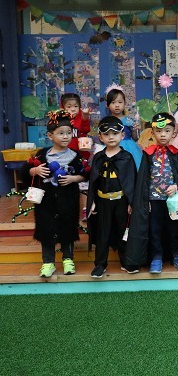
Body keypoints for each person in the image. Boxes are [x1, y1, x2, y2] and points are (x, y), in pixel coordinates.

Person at [21, 110, 90, 278]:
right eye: (61, 133)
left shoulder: (76, 156)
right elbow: (25, 171)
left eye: (69, 133)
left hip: (68, 201)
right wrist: (35, 170)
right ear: (50, 135)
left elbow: (85, 174)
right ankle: (48, 262)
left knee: (68, 229)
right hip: (46, 203)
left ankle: (68, 260)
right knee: (46, 230)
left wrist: (73, 178)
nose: (66, 137)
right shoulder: (41, 155)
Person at [125, 113, 178, 274]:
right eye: (159, 131)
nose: (163, 135)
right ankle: (156, 257)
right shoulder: (148, 154)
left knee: (174, 229)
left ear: (173, 133)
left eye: (167, 131)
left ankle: (177, 255)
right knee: (154, 229)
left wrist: (176, 186)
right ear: (152, 133)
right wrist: (144, 200)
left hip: (173, 200)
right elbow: (143, 179)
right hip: (153, 200)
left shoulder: (176, 153)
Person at [86, 116, 137, 278]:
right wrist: (93, 201)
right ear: (100, 137)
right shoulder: (98, 157)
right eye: (106, 134)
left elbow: (131, 182)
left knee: (123, 231)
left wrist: (131, 202)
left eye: (115, 133)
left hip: (121, 201)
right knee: (103, 233)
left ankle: (126, 261)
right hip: (102, 201)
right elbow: (94, 182)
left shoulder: (127, 157)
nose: (111, 137)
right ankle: (100, 264)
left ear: (122, 135)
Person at [105, 83, 143, 169]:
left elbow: (135, 138)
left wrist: (135, 130)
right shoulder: (107, 121)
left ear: (124, 103)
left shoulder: (129, 121)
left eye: (120, 102)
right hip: (112, 147)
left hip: (130, 148)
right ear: (107, 105)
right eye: (113, 102)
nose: (117, 105)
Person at [60, 93, 91, 160]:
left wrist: (85, 118)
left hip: (81, 153)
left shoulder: (82, 117)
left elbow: (86, 130)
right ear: (63, 108)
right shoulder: (60, 120)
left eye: (76, 106)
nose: (73, 109)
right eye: (69, 107)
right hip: (65, 154)